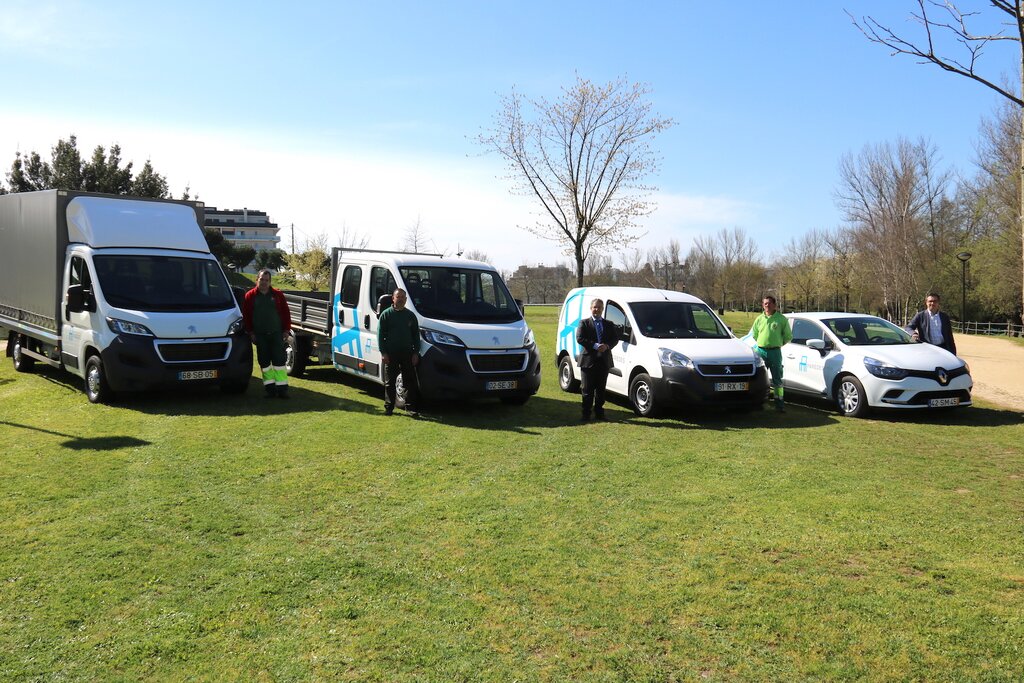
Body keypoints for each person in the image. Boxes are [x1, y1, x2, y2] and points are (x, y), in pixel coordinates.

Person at [241, 269, 292, 398]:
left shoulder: (278, 295)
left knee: (279, 363)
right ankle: (270, 390)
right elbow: (246, 316)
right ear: (256, 280)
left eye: (267, 280)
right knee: (264, 363)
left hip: (276, 335)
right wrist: (251, 333)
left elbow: (286, 313)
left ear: (270, 282)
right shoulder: (250, 296)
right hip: (260, 336)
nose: (264, 282)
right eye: (261, 279)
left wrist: (286, 330)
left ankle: (282, 390)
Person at [576, 298, 621, 421]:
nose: (597, 309)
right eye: (595, 307)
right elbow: (580, 338)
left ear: (602, 309)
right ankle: (586, 414)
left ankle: (599, 413)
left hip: (604, 362)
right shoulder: (584, 323)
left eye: (599, 307)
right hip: (588, 362)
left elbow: (615, 339)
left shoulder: (609, 324)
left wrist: (606, 346)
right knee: (587, 390)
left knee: (601, 389)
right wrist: (595, 346)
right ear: (591, 308)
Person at [378, 288, 420, 417]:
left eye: (403, 297)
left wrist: (415, 353)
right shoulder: (386, 314)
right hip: (391, 354)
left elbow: (416, 336)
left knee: (409, 381)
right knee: (390, 382)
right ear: (393, 298)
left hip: (407, 353)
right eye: (398, 297)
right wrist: (383, 352)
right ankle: (389, 408)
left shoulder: (410, 316)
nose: (400, 299)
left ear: (406, 300)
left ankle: (410, 408)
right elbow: (380, 335)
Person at [749, 295, 792, 412]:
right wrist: (763, 343)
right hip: (761, 351)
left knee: (777, 380)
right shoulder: (759, 319)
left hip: (775, 353)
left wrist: (777, 344)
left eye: (768, 303)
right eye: (764, 303)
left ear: (774, 305)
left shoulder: (781, 319)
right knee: (759, 378)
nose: (766, 305)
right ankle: (758, 403)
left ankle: (779, 404)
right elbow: (755, 334)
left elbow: (788, 336)